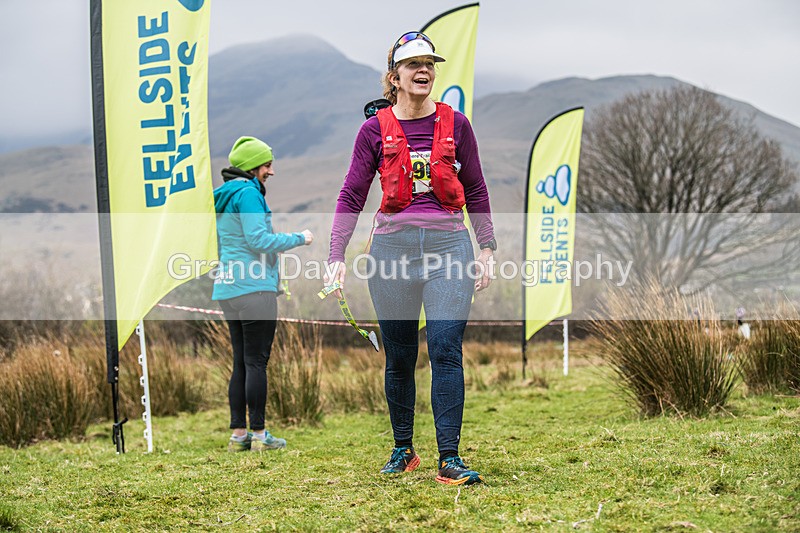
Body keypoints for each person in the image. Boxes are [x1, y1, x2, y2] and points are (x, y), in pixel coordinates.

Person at [325, 32, 496, 485]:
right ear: (394, 77)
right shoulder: (373, 130)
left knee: (445, 348)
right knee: (400, 356)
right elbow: (351, 194)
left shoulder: (457, 124)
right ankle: (404, 449)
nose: (424, 71)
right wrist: (336, 254)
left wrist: (487, 247)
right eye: (414, 64)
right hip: (391, 252)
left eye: (430, 64)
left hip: (449, 249)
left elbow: (476, 187)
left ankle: (450, 458)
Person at [213, 136, 314, 452]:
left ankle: (238, 435)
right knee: (256, 362)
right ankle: (259, 435)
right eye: (267, 165)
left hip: (227, 287)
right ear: (252, 166)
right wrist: (299, 238)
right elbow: (258, 240)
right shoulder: (248, 194)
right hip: (254, 287)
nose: (271, 171)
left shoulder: (223, 195)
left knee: (241, 362)